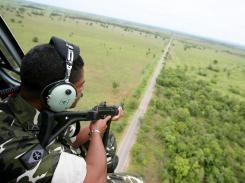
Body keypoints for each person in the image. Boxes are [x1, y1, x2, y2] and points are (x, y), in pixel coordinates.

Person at [0, 36, 142, 183]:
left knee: (109, 142)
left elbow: (72, 138)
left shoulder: (33, 108)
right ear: (60, 93)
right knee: (137, 180)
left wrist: (99, 119)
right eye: (80, 86)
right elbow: (96, 179)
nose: (81, 93)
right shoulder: (15, 147)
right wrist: (96, 132)